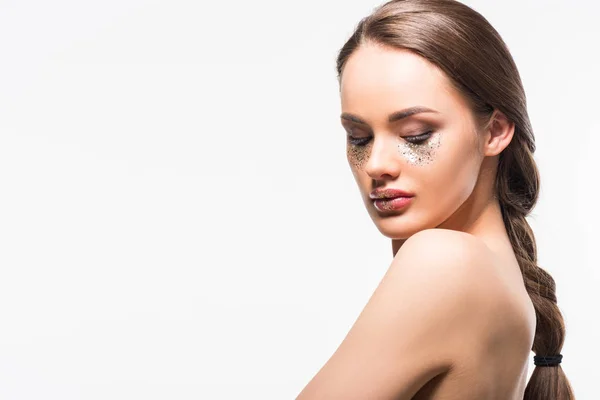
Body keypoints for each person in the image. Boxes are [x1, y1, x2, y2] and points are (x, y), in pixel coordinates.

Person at [296, 0, 575, 399]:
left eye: (415, 135)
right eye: (359, 137)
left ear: (495, 131)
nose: (375, 163)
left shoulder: (445, 262)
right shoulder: (499, 280)